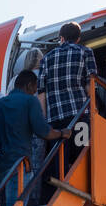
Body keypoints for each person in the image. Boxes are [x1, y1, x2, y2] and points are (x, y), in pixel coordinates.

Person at [0, 70, 69, 206]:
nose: (35, 92)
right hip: (19, 164)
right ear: (30, 85)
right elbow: (43, 131)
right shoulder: (29, 101)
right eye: (34, 88)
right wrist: (61, 133)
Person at [37, 22, 97, 185]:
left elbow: (41, 92)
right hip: (80, 115)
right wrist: (94, 110)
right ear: (78, 38)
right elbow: (90, 85)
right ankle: (84, 185)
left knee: (59, 159)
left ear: (61, 38)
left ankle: (61, 188)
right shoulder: (86, 52)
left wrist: (44, 121)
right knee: (82, 153)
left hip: (56, 120)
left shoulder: (46, 59)